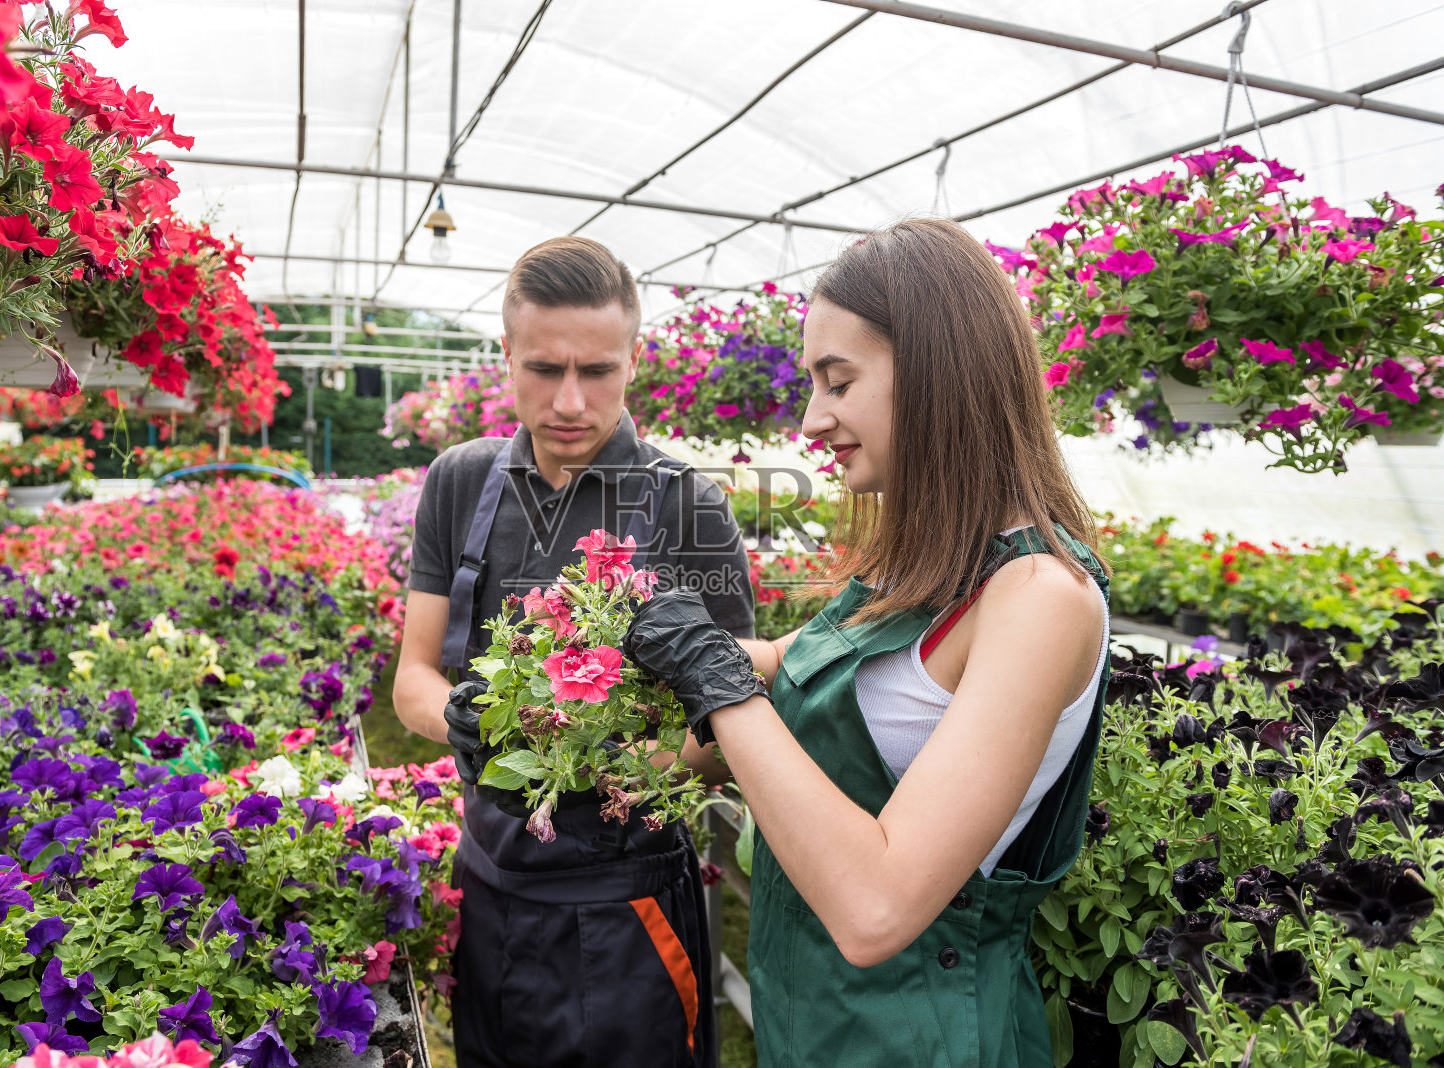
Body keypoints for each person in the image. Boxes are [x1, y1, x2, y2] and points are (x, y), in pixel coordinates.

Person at [621, 218, 1112, 1067]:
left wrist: (714, 677)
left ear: (936, 374)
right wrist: (576, 718)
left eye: (838, 382)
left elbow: (876, 909)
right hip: (820, 1021)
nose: (813, 419)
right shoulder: (924, 563)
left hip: (919, 1034)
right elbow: (793, 672)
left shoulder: (1037, 598)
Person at [393, 236, 754, 1068]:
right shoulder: (460, 481)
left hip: (627, 909)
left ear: (634, 361)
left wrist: (614, 767)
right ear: (506, 357)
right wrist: (462, 722)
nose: (569, 400)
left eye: (598, 371)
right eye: (543, 368)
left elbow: (738, 720)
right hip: (487, 888)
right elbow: (415, 672)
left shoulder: (687, 504)